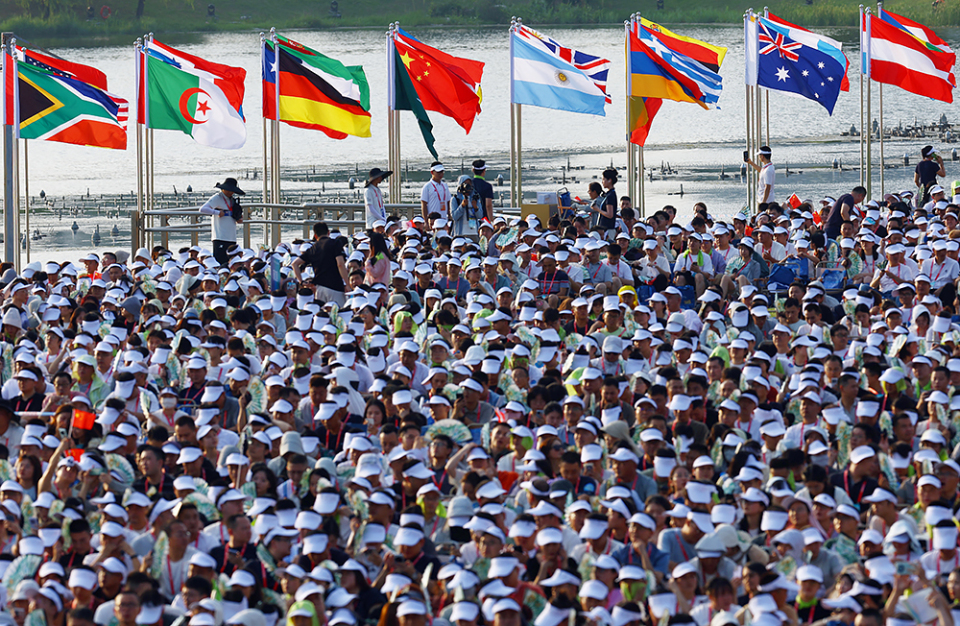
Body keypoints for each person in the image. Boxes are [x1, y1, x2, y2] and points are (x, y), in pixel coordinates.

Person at [292, 221, 348, 306]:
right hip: (335, 287)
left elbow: (295, 264)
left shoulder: (313, 248)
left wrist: (301, 282)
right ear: (328, 232)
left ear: (315, 235)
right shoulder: (335, 243)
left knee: (321, 313)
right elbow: (340, 264)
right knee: (338, 312)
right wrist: (347, 284)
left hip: (320, 289)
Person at [198, 178, 244, 265]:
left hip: (231, 237)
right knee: (220, 262)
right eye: (228, 190)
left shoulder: (232, 200)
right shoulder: (218, 197)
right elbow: (203, 209)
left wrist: (238, 218)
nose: (230, 193)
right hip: (220, 237)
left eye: (232, 191)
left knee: (231, 262)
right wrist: (217, 212)